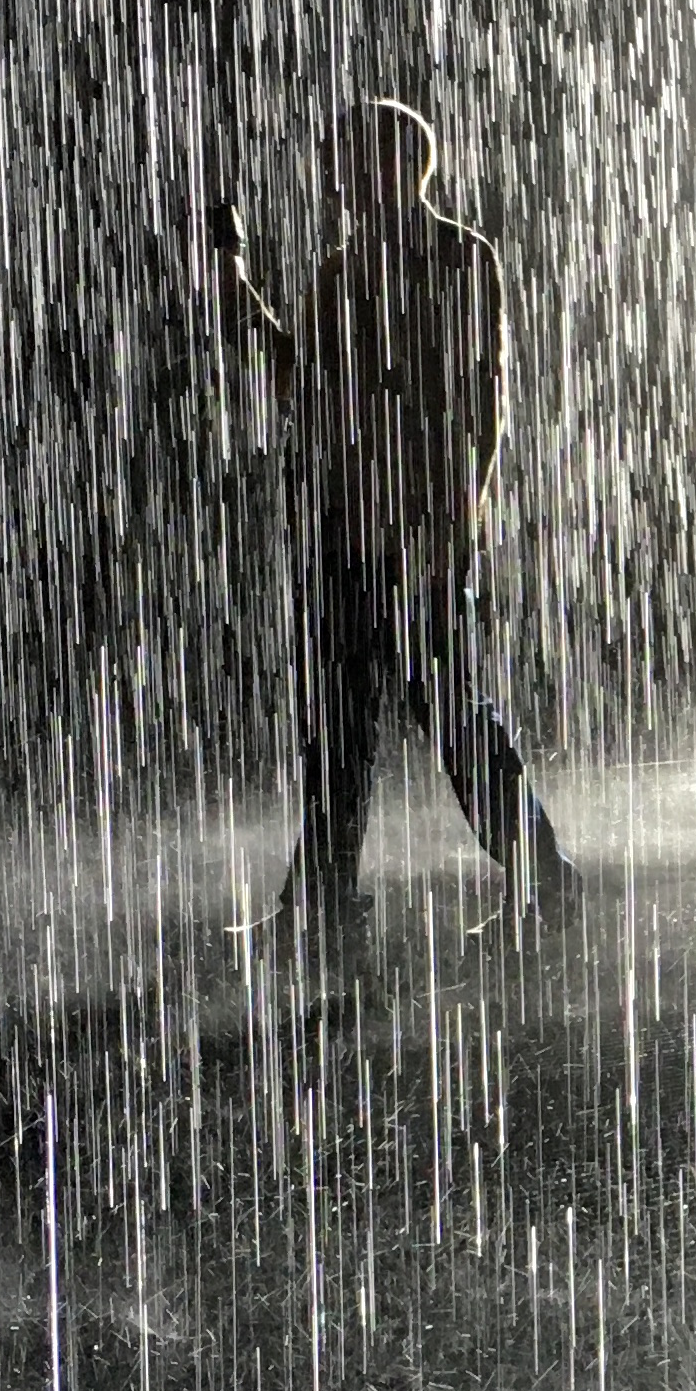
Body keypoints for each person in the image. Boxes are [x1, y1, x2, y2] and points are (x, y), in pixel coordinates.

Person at [210, 96, 570, 952]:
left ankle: (544, 879)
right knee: (342, 724)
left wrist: (452, 523)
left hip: (420, 529)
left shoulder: (457, 259)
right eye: (338, 164)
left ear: (403, 169)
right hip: (350, 529)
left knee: (450, 719)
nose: (337, 180)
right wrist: (236, 281)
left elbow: (484, 402)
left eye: (351, 162)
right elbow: (303, 381)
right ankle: (324, 903)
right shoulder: (339, 272)